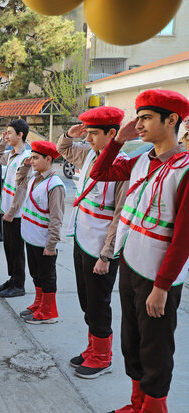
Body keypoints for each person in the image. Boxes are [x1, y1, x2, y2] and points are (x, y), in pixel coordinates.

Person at [90, 89, 189, 413]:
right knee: (131, 341)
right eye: (139, 117)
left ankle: (153, 408)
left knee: (155, 348)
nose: (140, 124)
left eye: (146, 118)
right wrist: (118, 140)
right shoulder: (140, 160)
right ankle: (137, 404)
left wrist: (161, 287)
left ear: (171, 119)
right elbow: (100, 173)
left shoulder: (184, 170)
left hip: (158, 275)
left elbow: (183, 239)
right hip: (130, 263)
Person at [58, 107, 129, 379]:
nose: (87, 138)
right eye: (86, 132)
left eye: (93, 133)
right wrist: (69, 133)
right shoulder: (90, 155)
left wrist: (107, 254)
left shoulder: (121, 165)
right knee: (87, 300)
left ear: (113, 134)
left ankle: (102, 357)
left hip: (101, 247)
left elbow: (121, 214)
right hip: (82, 238)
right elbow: (63, 148)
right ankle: (92, 348)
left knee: (99, 303)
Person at [17, 141, 65, 325]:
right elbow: (19, 183)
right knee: (36, 273)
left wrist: (51, 244)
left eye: (36, 158)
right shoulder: (35, 178)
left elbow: (56, 217)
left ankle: (49, 311)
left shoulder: (55, 184)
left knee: (47, 276)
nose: (32, 160)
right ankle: (39, 303)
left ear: (48, 159)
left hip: (45, 241)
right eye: (32, 157)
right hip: (32, 236)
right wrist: (25, 166)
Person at [0, 120, 31, 298]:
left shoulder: (26, 158)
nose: (6, 135)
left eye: (9, 132)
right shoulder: (12, 154)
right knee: (8, 247)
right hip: (6, 210)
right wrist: (2, 142)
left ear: (20, 134)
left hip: (16, 213)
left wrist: (12, 211)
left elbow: (22, 189)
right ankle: (12, 278)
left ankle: (19, 283)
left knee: (16, 249)